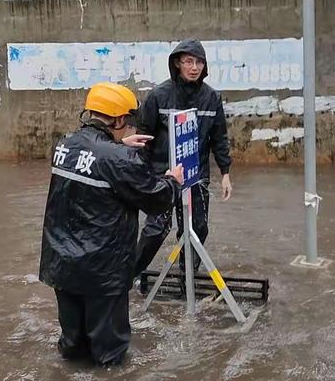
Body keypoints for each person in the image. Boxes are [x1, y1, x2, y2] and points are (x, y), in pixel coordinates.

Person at [39, 82, 183, 367]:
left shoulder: (65, 143)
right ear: (118, 119)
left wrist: (116, 146)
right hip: (102, 271)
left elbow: (96, 158)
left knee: (72, 345)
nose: (128, 128)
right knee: (110, 353)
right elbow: (156, 198)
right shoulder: (120, 158)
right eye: (127, 121)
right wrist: (173, 181)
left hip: (62, 264)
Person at [134, 38, 232, 275]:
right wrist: (141, 176)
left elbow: (219, 137)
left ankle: (186, 276)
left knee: (198, 227)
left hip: (196, 175)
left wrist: (226, 173)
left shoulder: (211, 98)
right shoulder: (159, 96)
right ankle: (129, 274)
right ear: (178, 63)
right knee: (156, 228)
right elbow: (143, 136)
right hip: (163, 175)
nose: (194, 67)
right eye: (189, 61)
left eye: (199, 62)